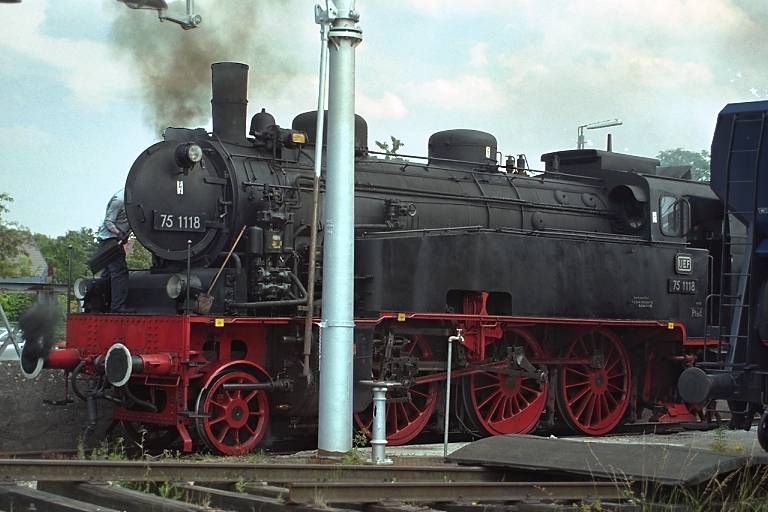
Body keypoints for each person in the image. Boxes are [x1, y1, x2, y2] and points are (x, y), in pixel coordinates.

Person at [97, 189, 131, 313]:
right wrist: (120, 233)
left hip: (111, 240)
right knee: (119, 272)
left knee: (107, 274)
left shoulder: (130, 199)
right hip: (110, 240)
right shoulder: (119, 200)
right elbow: (108, 222)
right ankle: (117, 307)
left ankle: (101, 305)